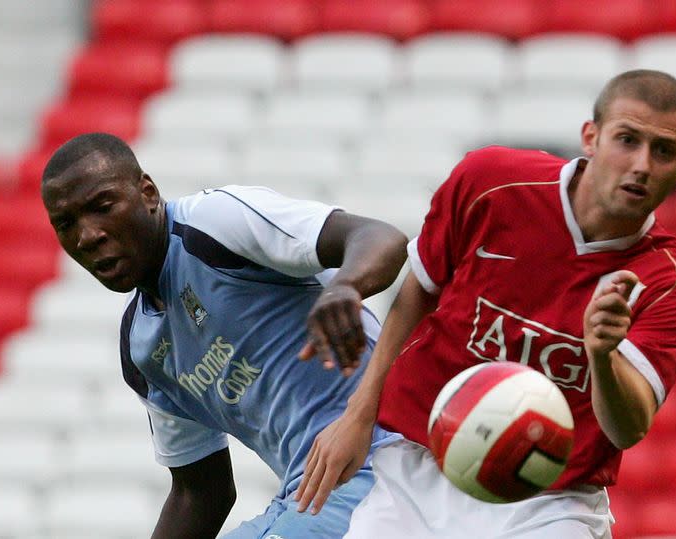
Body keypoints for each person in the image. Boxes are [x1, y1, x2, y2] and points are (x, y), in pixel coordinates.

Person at [295, 69, 676, 538]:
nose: (642, 165)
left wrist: (601, 354)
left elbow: (627, 430)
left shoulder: (669, 283)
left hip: (550, 502)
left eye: (663, 151)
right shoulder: (490, 181)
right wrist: (358, 415)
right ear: (590, 137)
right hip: (418, 466)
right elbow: (418, 291)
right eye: (627, 140)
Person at [40, 132, 408, 539]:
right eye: (66, 224)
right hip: (310, 497)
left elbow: (380, 237)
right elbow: (201, 491)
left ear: (147, 193)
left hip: (384, 464)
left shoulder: (212, 223)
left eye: (102, 207)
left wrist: (346, 286)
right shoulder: (142, 347)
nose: (87, 236)